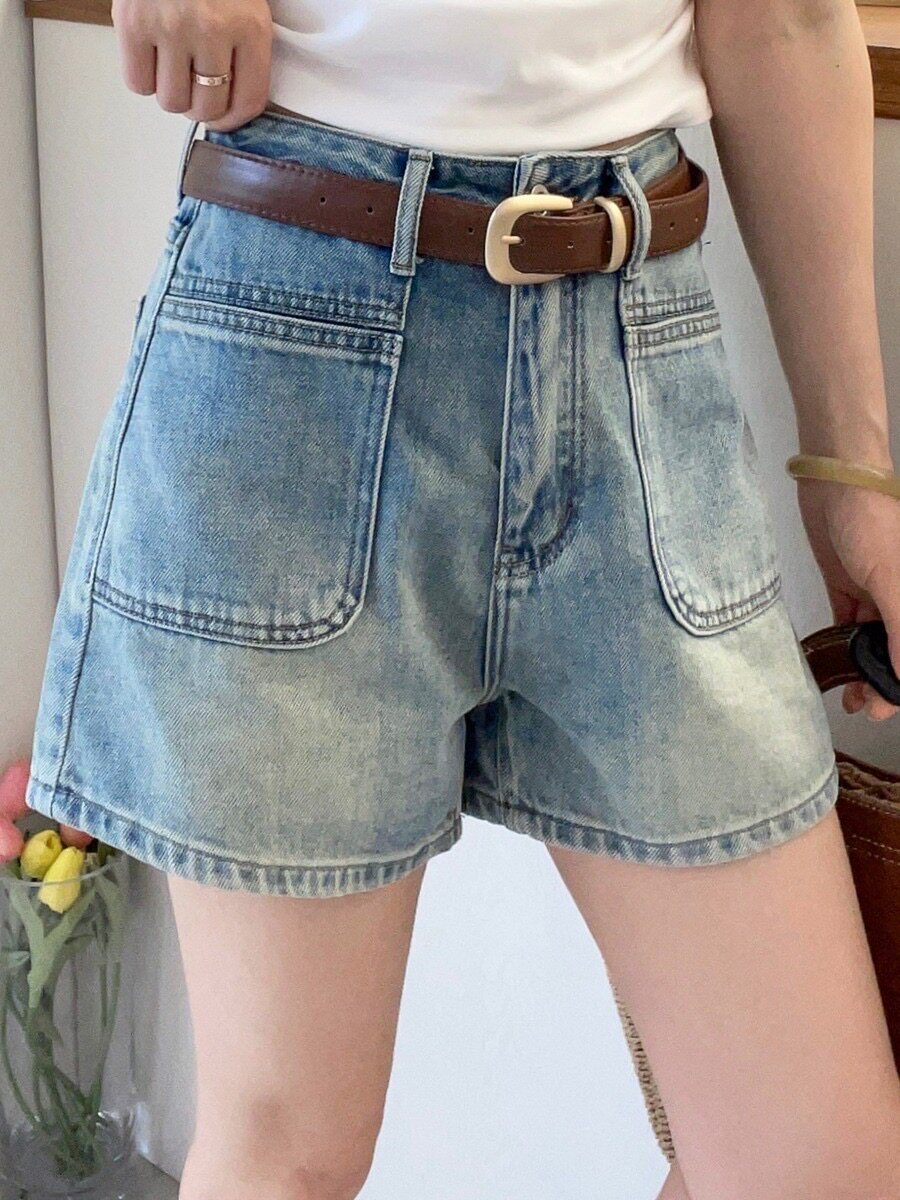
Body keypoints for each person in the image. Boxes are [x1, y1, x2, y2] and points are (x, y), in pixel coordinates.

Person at [25, 1, 900, 1197]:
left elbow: (786, 20)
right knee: (288, 1148)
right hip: (302, 325)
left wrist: (852, 471)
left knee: (819, 1165)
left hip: (640, 346)